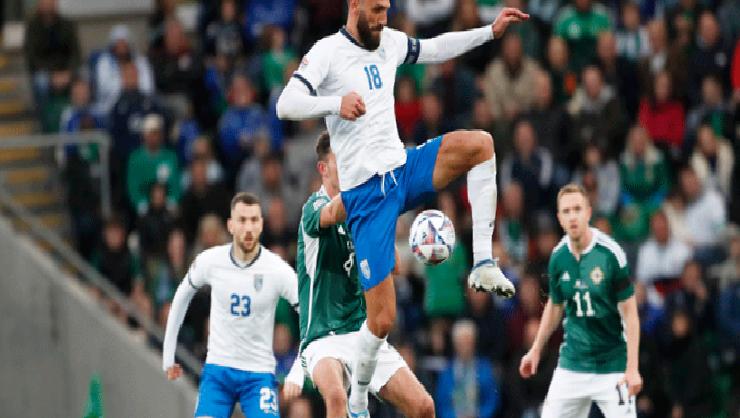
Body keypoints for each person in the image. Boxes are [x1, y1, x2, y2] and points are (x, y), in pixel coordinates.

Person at [276, 3, 527, 415]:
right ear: (355, 4)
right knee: (383, 320)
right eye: (376, 9)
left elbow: (435, 47)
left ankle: (482, 260)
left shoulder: (388, 41)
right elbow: (286, 104)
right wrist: (335, 104)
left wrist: (489, 32)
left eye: (387, 9)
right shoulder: (326, 53)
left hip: (403, 168)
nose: (383, 17)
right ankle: (359, 392)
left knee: (481, 145)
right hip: (366, 197)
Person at [283, 132, 434, 418]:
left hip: (362, 335)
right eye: (341, 161)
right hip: (321, 337)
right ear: (323, 169)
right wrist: (376, 191)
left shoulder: (364, 217)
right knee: (337, 397)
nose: (351, 167)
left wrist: (388, 230)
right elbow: (333, 213)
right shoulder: (313, 209)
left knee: (424, 408)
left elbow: (394, 268)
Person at [162, 192, 299, 418]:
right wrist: (168, 355)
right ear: (230, 225)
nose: (248, 228)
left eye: (254, 220)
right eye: (242, 220)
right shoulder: (211, 261)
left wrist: (299, 371)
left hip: (258, 374)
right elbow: (182, 296)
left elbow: (312, 316)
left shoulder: (278, 270)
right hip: (219, 371)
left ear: (261, 225)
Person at [519, 184, 643, 418]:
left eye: (577, 209)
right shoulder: (558, 257)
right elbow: (555, 306)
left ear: (588, 212)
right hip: (573, 364)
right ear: (559, 218)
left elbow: (630, 314)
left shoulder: (610, 254)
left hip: (612, 364)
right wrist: (535, 350)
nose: (572, 216)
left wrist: (632, 368)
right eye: (566, 211)